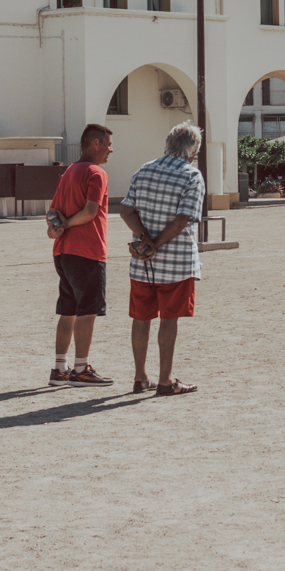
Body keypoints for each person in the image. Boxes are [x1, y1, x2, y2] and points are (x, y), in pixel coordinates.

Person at [120, 122, 207, 396]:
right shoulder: (192, 176)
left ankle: (140, 377)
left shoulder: (144, 170)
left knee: (141, 318)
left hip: (142, 262)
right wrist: (156, 243)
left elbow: (126, 211)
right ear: (192, 152)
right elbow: (183, 220)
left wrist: (145, 240)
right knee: (169, 319)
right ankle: (166, 379)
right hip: (177, 264)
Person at [46, 124, 117, 386]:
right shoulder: (96, 173)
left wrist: (58, 228)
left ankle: (59, 368)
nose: (111, 149)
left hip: (63, 252)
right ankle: (80, 369)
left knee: (69, 311)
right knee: (87, 312)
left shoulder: (67, 173)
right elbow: (90, 211)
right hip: (87, 251)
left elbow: (52, 213)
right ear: (95, 143)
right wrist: (65, 225)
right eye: (108, 144)